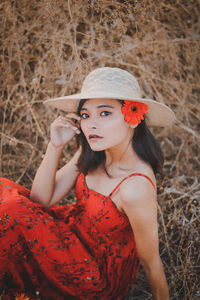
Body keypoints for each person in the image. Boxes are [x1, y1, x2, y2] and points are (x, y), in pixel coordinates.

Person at [0, 67, 175, 300]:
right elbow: (41, 200)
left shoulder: (135, 187)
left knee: (11, 210)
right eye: (85, 115)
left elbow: (150, 261)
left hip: (93, 276)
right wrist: (55, 146)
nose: (91, 124)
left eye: (104, 113)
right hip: (70, 237)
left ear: (133, 117)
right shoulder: (96, 151)